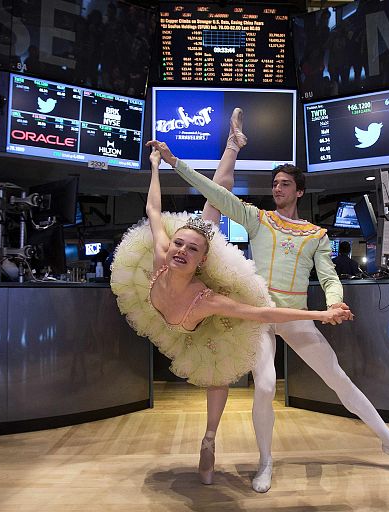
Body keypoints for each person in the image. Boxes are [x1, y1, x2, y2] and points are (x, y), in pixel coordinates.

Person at [149, 139, 389, 492]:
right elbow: (214, 191)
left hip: (295, 316)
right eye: (274, 183)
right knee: (264, 386)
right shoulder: (258, 219)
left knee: (338, 379)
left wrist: (335, 302)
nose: (277, 188)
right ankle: (266, 462)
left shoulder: (316, 234)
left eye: (285, 184)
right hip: (259, 316)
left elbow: (328, 276)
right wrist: (174, 162)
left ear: (300, 191)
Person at [111, 110, 350, 486]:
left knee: (216, 375)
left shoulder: (206, 296)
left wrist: (321, 314)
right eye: (178, 244)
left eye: (190, 249)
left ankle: (209, 440)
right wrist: (155, 166)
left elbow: (260, 313)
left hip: (199, 317)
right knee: (206, 215)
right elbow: (153, 210)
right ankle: (232, 146)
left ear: (201, 259)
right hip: (163, 314)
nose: (180, 251)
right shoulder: (161, 254)